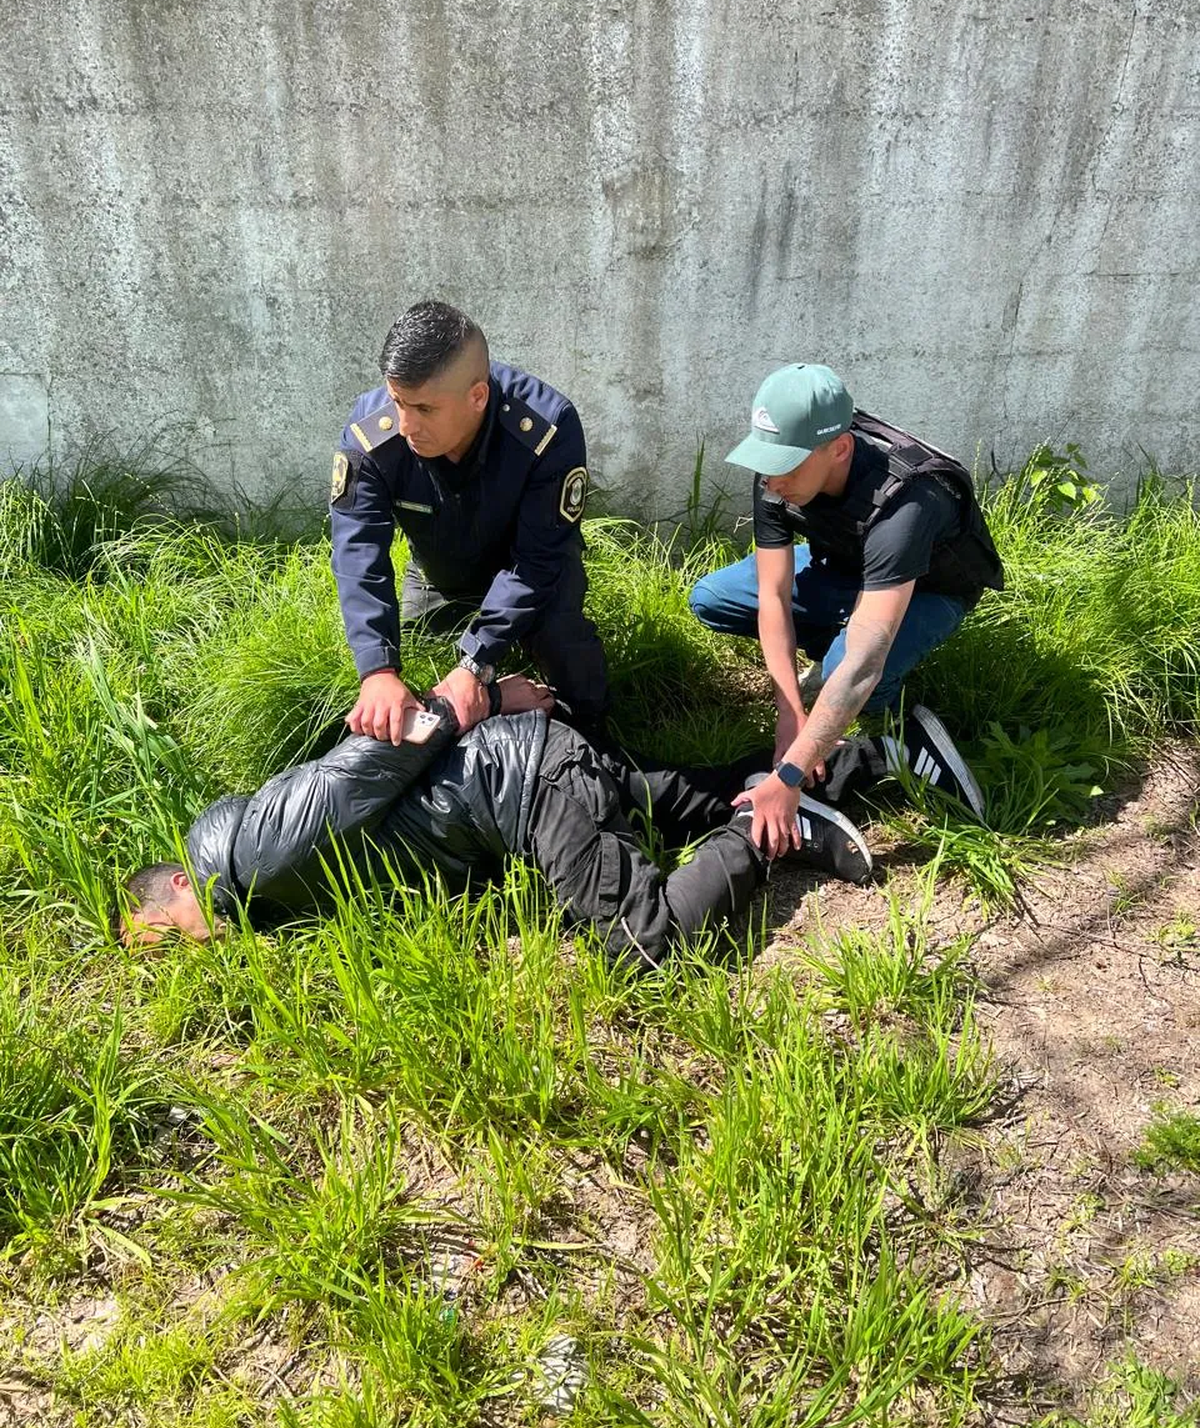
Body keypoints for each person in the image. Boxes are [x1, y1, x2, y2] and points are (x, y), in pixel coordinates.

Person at [113, 678, 985, 965]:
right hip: (518, 782)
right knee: (664, 798)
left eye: (166, 933)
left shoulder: (251, 859)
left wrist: (488, 698)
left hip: (520, 782)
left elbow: (376, 756)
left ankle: (768, 832)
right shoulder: (262, 894)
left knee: (643, 944)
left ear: (180, 883)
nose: (183, 950)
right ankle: (887, 756)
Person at [689, 363, 1003, 857]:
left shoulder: (906, 501)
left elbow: (863, 663)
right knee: (712, 598)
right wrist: (791, 713)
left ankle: (903, 731)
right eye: (766, 462)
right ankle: (834, 653)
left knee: (849, 669)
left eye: (786, 466)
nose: (771, 481)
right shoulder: (780, 469)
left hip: (928, 590)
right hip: (843, 565)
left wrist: (788, 775)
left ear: (838, 448)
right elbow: (773, 595)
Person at [330, 300, 610, 743]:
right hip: (440, 575)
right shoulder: (371, 436)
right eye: (398, 402)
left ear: (477, 396)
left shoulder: (545, 429)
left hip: (532, 572)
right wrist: (377, 669)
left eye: (425, 409)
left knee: (570, 663)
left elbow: (539, 559)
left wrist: (475, 662)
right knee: (410, 687)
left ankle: (580, 743)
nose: (406, 425)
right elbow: (357, 554)